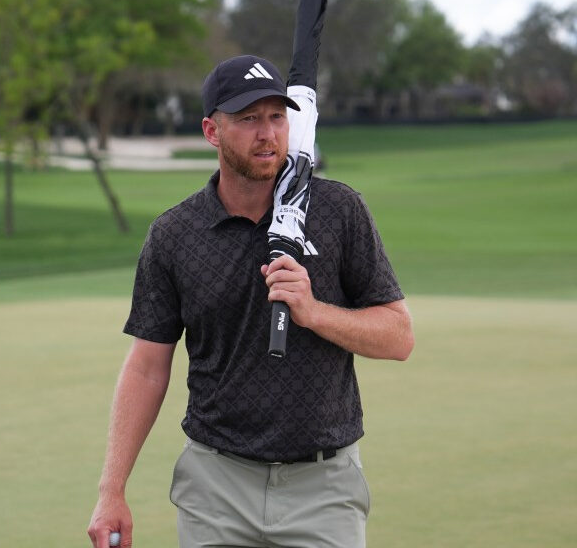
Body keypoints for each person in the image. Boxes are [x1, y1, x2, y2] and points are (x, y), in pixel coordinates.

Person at [86, 55, 414, 548]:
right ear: (211, 131)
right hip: (216, 485)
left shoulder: (339, 211)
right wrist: (111, 489)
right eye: (248, 119)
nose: (268, 134)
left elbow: (399, 337)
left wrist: (314, 311)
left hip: (323, 487)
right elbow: (148, 368)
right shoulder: (175, 234)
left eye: (277, 117)